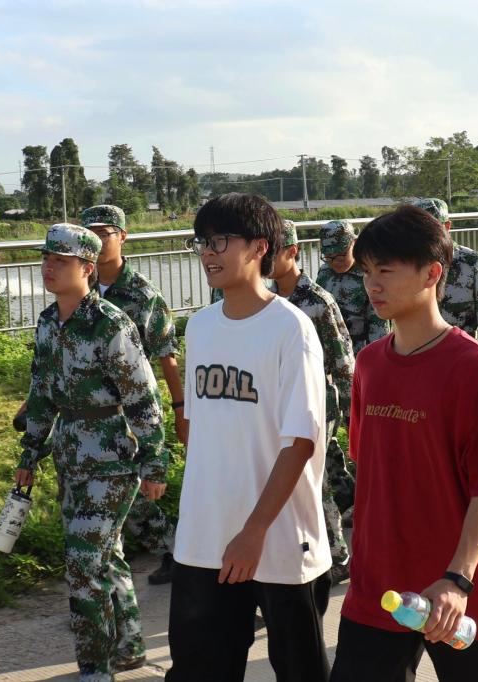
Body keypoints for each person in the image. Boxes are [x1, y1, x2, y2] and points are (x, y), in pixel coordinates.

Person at [330, 205, 478, 682]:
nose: (372, 284)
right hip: (381, 587)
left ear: (432, 273)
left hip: (458, 590)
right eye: (366, 271)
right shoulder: (369, 365)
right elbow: (371, 468)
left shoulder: (471, 366)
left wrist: (458, 578)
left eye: (386, 271)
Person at [169, 193, 331, 682]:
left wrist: (254, 531)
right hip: (205, 538)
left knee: (300, 671)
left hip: (278, 538)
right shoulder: (200, 327)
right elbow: (202, 429)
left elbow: (300, 441)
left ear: (260, 247)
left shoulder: (291, 329)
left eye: (220, 240)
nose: (208, 252)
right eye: (202, 242)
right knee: (199, 669)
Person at [15, 224, 166, 681]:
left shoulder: (110, 324)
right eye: (46, 259)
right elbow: (41, 394)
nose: (49, 267)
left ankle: (94, 669)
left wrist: (154, 461)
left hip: (112, 459)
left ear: (86, 267)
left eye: (60, 261)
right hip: (70, 455)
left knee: (83, 565)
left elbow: (142, 396)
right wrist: (30, 454)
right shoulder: (48, 322)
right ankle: (129, 645)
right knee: (105, 556)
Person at [77, 204, 185, 586]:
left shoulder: (143, 294)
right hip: (91, 411)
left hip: (132, 409)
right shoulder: (81, 287)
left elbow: (166, 356)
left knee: (130, 488)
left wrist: (180, 409)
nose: (96, 241)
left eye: (103, 233)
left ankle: (174, 551)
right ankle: (164, 552)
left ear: (122, 237)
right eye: (89, 234)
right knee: (109, 488)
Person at [270, 219, 356, 583]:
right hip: (279, 404)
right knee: (323, 470)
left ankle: (337, 555)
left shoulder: (318, 302)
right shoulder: (266, 300)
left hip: (317, 403)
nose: (265, 259)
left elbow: (343, 362)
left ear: (293, 252)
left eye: (273, 251)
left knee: (310, 480)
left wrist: (353, 415)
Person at [413, 198, 478, 361]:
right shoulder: (406, 265)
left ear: (447, 227)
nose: (423, 235)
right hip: (419, 358)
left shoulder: (472, 263)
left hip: (461, 360)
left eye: (430, 228)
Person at [316, 219, 389, 355]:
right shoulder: (324, 273)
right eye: (329, 257)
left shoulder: (370, 274)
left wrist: (376, 356)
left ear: (354, 244)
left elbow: (378, 325)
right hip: (330, 351)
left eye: (341, 256)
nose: (335, 262)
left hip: (360, 351)